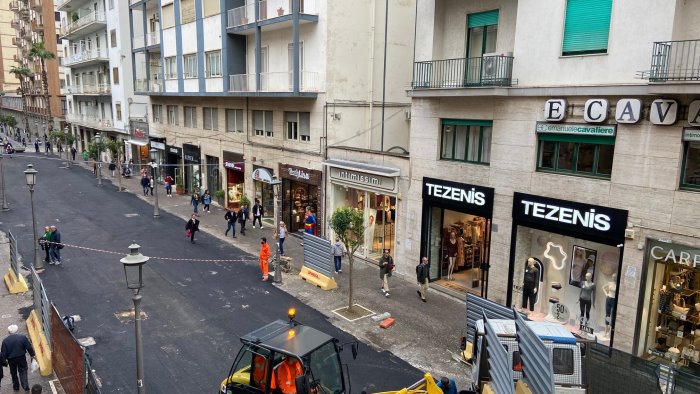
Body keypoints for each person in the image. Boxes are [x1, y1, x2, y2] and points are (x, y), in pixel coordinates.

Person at [1, 325, 36, 392]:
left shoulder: (5, 341)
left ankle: (16, 386)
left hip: (11, 360)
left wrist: (4, 362)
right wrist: (32, 355)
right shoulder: (22, 338)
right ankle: (25, 386)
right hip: (21, 358)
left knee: (13, 373)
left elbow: (3, 354)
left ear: (9, 332)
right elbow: (29, 347)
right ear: (17, 330)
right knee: (23, 371)